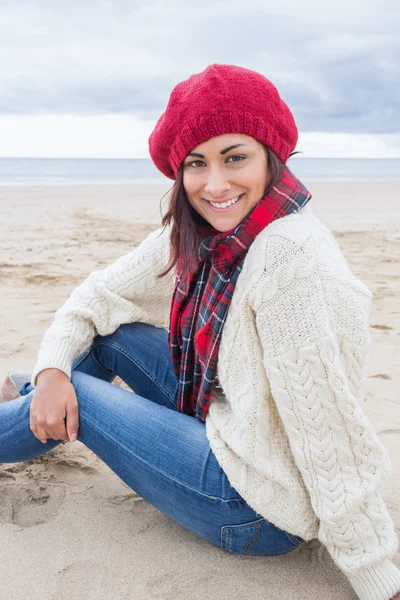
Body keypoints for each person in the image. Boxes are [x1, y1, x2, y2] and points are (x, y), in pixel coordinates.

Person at [1, 64, 399, 600]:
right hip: (232, 416)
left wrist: (377, 576)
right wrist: (51, 373)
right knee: (103, 336)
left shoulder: (291, 263)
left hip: (258, 509)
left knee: (85, 399)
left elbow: (329, 435)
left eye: (235, 157)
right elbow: (97, 296)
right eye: (196, 163)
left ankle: (18, 410)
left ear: (270, 157)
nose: (215, 185)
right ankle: (29, 397)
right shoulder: (207, 234)